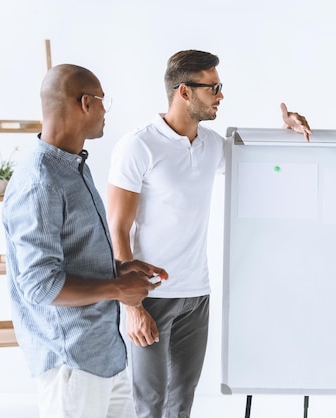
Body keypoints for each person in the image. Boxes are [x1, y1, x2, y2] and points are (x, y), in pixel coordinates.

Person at [106, 49, 311, 418]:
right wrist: (131, 305)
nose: (220, 95)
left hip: (196, 294)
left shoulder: (212, 145)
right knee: (149, 403)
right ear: (184, 91)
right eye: (213, 87)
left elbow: (262, 160)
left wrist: (289, 130)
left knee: (181, 400)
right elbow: (117, 229)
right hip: (150, 295)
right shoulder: (138, 146)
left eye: (220, 86)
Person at [2, 63, 168, 418]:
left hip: (104, 353)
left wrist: (119, 268)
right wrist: (117, 289)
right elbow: (40, 285)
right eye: (104, 102)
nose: (107, 111)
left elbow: (71, 258)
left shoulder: (74, 167)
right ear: (85, 103)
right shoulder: (39, 181)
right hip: (70, 362)